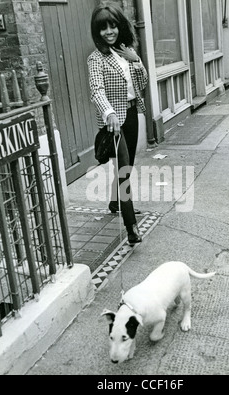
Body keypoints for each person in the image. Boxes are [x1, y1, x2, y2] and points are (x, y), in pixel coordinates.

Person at [88, 2, 148, 245]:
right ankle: (131, 225)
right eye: (103, 28)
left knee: (127, 166)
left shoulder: (126, 51)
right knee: (123, 171)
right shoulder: (96, 59)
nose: (109, 32)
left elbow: (142, 83)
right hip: (114, 121)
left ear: (119, 26)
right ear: (97, 31)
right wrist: (109, 113)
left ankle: (115, 201)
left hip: (132, 115)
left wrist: (137, 61)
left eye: (113, 26)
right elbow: (96, 90)